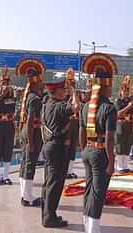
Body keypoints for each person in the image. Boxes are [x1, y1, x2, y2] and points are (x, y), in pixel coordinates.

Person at [80, 53, 118, 233]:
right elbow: (110, 139)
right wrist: (111, 161)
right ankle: (93, 228)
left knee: (89, 189)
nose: (112, 89)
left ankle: (87, 223)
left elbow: (81, 131)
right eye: (111, 85)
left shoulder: (86, 106)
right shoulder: (109, 108)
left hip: (88, 150)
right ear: (105, 86)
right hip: (100, 153)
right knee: (98, 191)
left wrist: (84, 150)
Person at [41, 72, 79, 228]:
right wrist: (75, 92)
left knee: (49, 182)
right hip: (57, 147)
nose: (66, 92)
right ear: (56, 92)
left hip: (49, 145)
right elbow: (76, 107)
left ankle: (47, 215)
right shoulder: (58, 106)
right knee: (55, 184)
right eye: (63, 89)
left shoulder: (48, 103)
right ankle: (50, 218)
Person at [18, 68, 45, 207]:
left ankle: (25, 194)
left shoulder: (30, 96)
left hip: (27, 131)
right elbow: (30, 120)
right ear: (35, 83)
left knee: (25, 163)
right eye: (40, 81)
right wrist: (31, 140)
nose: (42, 83)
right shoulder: (34, 98)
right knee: (30, 164)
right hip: (32, 132)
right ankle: (28, 198)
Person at [115, 75, 133, 173]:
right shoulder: (118, 101)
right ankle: (119, 166)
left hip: (129, 124)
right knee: (120, 145)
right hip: (121, 124)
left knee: (127, 144)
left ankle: (125, 165)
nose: (125, 93)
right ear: (121, 92)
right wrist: (128, 107)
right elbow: (118, 113)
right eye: (124, 91)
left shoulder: (130, 101)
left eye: (127, 91)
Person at [65, 68, 80, 179]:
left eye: (74, 84)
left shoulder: (76, 95)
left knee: (73, 146)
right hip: (66, 123)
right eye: (71, 83)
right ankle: (64, 170)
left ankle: (70, 171)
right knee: (66, 146)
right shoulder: (64, 96)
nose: (72, 86)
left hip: (75, 122)